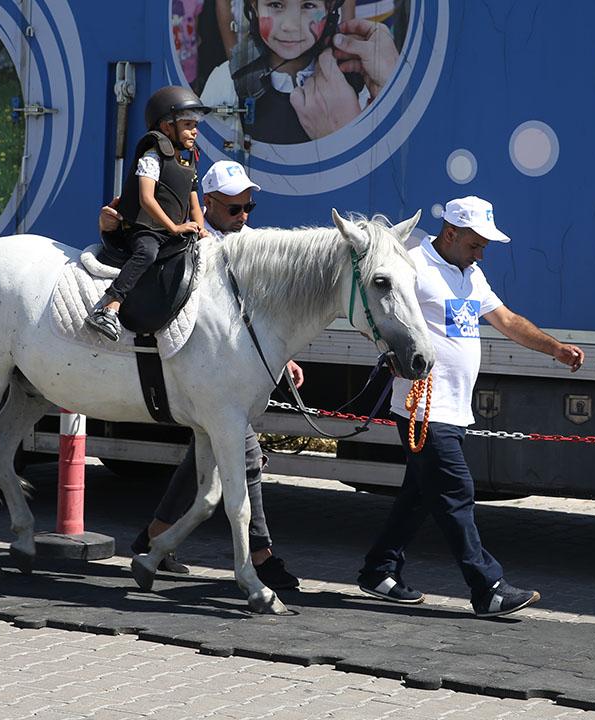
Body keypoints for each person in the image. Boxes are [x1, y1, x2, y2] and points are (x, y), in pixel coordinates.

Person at [356, 196, 586, 619]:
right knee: (456, 492)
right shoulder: (412, 263)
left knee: (420, 496)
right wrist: (387, 351)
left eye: (485, 246)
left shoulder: (471, 274)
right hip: (422, 405)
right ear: (450, 233)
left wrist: (554, 349)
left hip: (454, 407)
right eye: (476, 244)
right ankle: (488, 587)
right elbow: (379, 310)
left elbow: (509, 321)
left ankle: (378, 570)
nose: (482, 253)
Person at [98, 160, 303, 591]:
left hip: (235, 371)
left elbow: (265, 315)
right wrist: (110, 229)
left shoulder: (252, 246)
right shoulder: (189, 239)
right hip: (196, 369)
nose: (244, 216)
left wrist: (282, 358)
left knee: (207, 457)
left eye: (249, 206)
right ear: (207, 204)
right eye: (234, 209)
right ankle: (260, 556)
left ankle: (155, 537)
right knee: (242, 454)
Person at [86, 86, 211, 341]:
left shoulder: (188, 163)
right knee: (147, 253)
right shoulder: (152, 157)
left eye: (195, 125)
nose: (194, 131)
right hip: (145, 230)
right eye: (187, 124)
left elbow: (194, 203)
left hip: (170, 232)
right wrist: (175, 228)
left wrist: (201, 229)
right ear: (166, 127)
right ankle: (110, 306)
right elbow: (146, 199)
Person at [200, 0, 399, 143]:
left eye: (308, 5)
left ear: (330, 8)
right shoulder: (227, 82)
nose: (291, 25)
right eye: (276, 5)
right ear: (254, 6)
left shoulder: (355, 84)